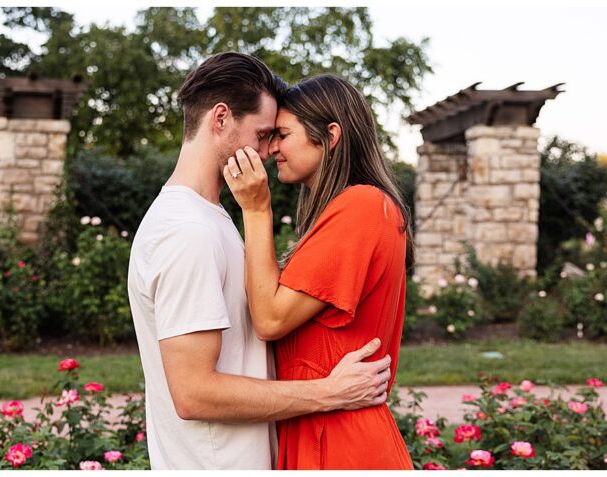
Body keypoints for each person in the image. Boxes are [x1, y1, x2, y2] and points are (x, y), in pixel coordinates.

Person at [127, 52, 393, 470]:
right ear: (220, 119)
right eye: (264, 133)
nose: (269, 150)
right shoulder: (186, 231)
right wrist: (329, 393)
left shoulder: (211, 220)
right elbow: (194, 393)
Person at [223, 74, 414, 469]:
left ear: (330, 135)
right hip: (319, 424)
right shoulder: (349, 211)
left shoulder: (362, 206)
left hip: (342, 437)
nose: (272, 148)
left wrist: (257, 210)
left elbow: (270, 318)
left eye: (282, 134)